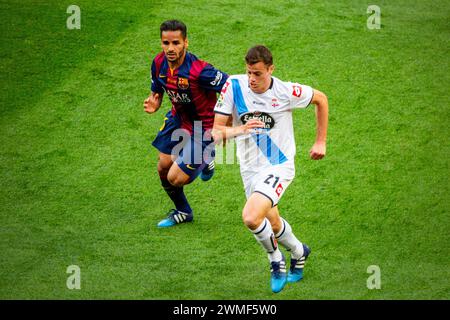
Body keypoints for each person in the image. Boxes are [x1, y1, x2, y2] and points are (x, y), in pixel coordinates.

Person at [212, 45, 328, 293]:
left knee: (251, 217)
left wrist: (320, 141)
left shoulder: (286, 91)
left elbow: (321, 99)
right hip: (249, 169)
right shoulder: (233, 86)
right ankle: (299, 251)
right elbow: (216, 132)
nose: (252, 79)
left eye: (258, 74)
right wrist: (241, 130)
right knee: (272, 223)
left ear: (271, 70)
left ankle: (276, 260)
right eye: (249, 72)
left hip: (279, 164)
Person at [144, 20, 228, 228]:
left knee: (177, 178)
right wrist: (155, 101)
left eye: (176, 43)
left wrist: (226, 122)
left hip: (204, 126)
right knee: (163, 167)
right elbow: (158, 89)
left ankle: (207, 154)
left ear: (186, 43)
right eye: (166, 43)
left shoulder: (200, 71)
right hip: (178, 120)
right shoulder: (158, 63)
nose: (170, 48)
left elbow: (231, 86)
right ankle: (183, 211)